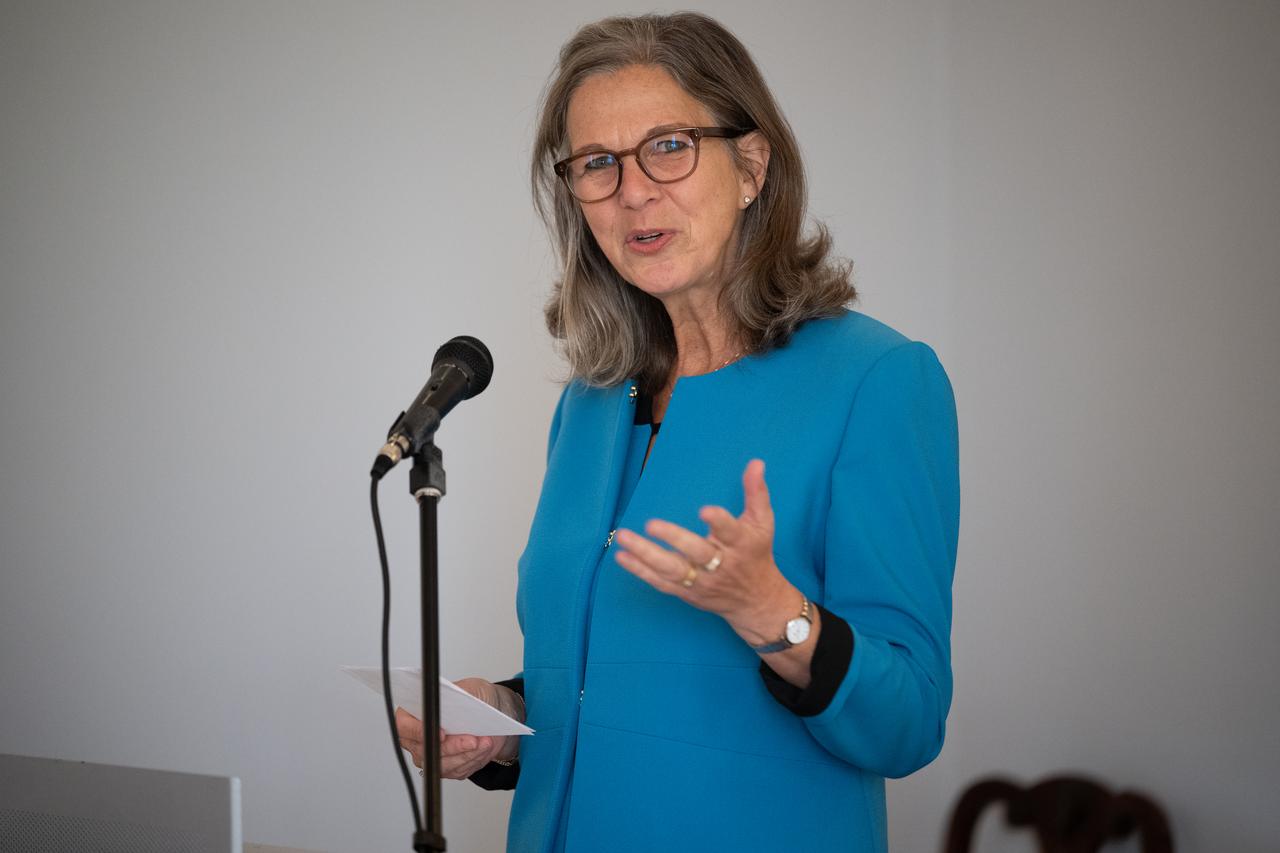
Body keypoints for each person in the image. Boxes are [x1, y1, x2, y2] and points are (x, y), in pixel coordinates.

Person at [395, 12, 959, 853]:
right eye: (597, 164)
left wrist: (778, 615)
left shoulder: (876, 381)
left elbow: (908, 722)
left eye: (669, 146)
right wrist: (504, 715)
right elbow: (602, 680)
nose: (632, 190)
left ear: (751, 166)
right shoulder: (590, 404)